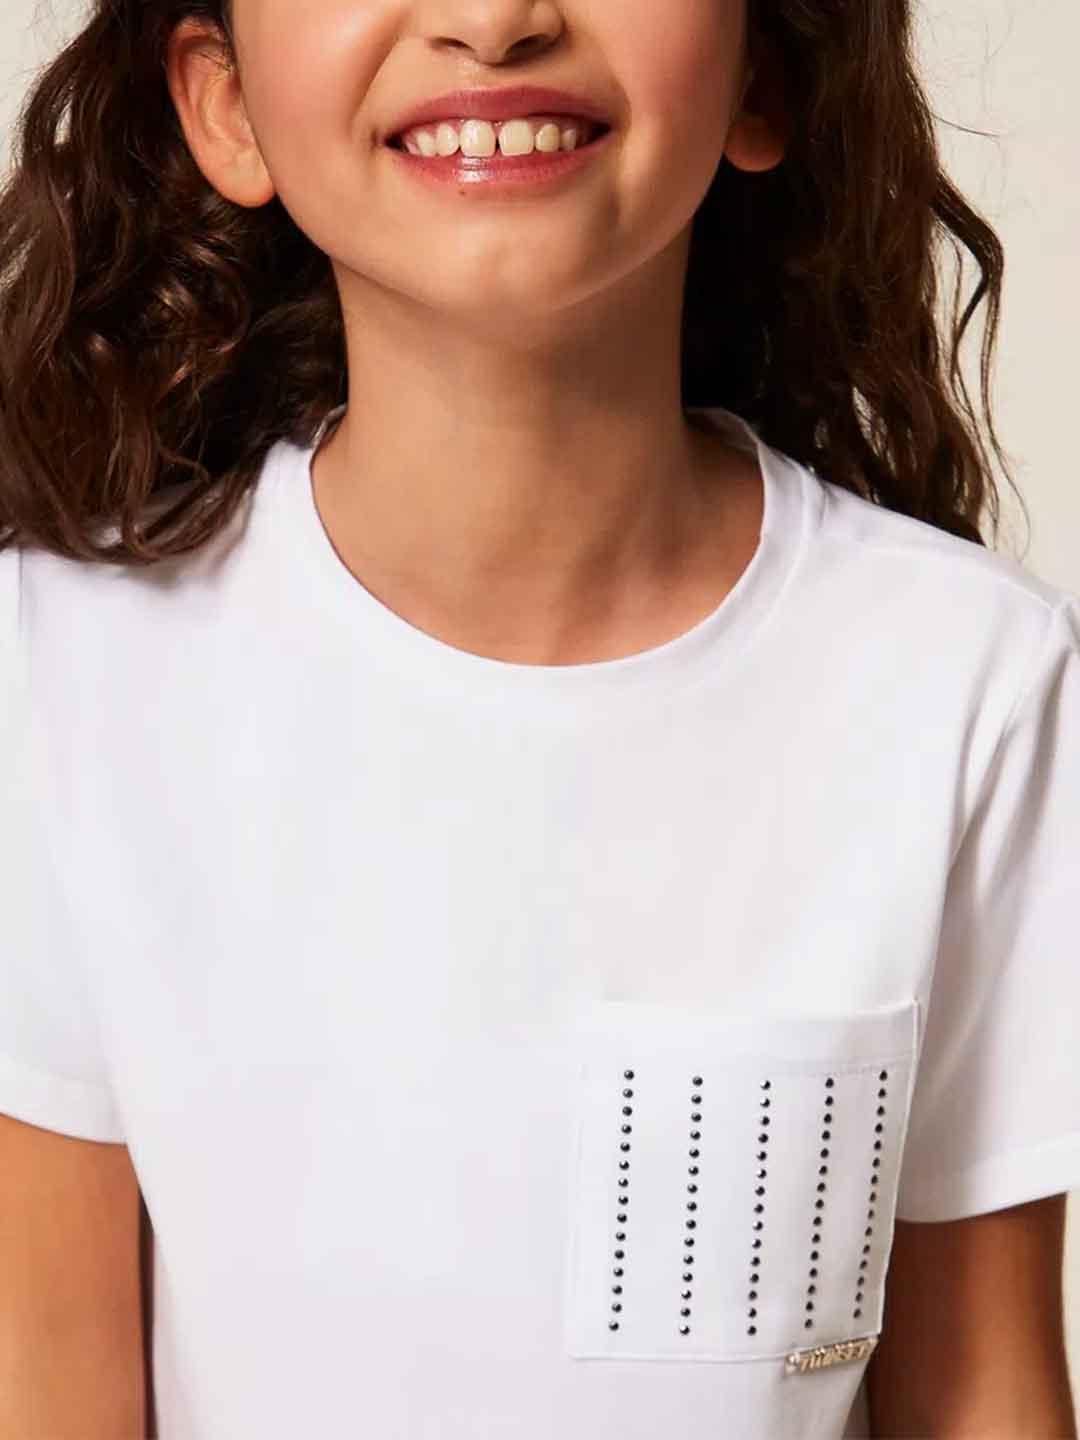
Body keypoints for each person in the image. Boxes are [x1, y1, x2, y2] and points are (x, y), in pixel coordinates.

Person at [0, 0, 1077, 1436]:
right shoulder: (64, 665)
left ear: (764, 71)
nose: (493, 20)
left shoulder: (966, 680)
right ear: (225, 103)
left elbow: (983, 1393)